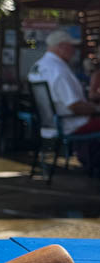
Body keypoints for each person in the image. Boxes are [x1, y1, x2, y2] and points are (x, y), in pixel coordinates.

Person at [28, 28, 100, 168]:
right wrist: (97, 109)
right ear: (62, 47)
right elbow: (75, 106)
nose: (74, 51)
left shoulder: (38, 66)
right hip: (69, 124)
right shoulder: (58, 70)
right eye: (72, 47)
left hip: (49, 124)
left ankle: (89, 160)